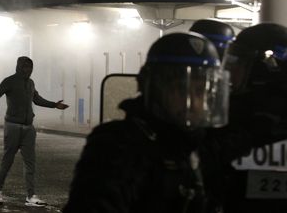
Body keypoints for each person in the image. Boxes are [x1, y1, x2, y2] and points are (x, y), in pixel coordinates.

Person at [63, 32, 232, 213]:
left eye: (200, 91)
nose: (192, 101)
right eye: (180, 88)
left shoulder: (197, 145)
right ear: (154, 88)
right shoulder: (119, 145)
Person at [0, 56, 69, 206]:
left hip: (28, 129)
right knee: (7, 160)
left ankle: (31, 196)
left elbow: (37, 99)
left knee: (30, 163)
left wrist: (54, 105)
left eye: (30, 67)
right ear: (19, 67)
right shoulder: (10, 81)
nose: (28, 70)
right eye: (25, 67)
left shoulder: (31, 83)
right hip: (12, 127)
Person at [214, 23, 287, 213]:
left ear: (262, 69)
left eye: (239, 63)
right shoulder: (225, 111)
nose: (230, 71)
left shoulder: (228, 119)